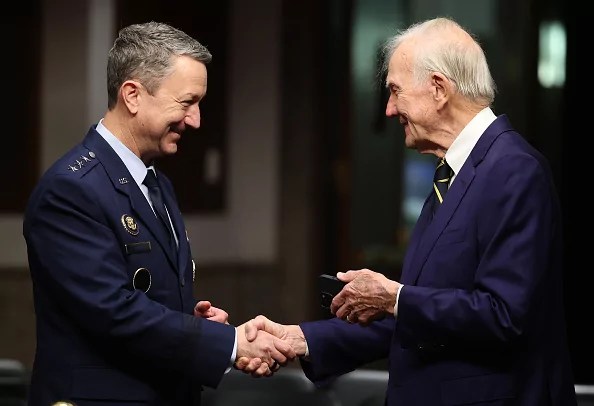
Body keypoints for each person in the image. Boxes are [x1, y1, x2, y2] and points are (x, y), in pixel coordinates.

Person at [239, 16, 577, 405]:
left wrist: (394, 297)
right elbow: (418, 319)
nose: (388, 109)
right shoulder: (453, 172)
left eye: (395, 91)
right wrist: (300, 339)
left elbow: (504, 315)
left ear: (438, 89)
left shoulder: (514, 169)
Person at [23, 21, 293, 405]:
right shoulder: (71, 190)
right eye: (187, 103)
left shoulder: (156, 183)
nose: (196, 120)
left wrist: (192, 323)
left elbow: (146, 299)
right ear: (132, 95)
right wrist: (231, 344)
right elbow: (114, 312)